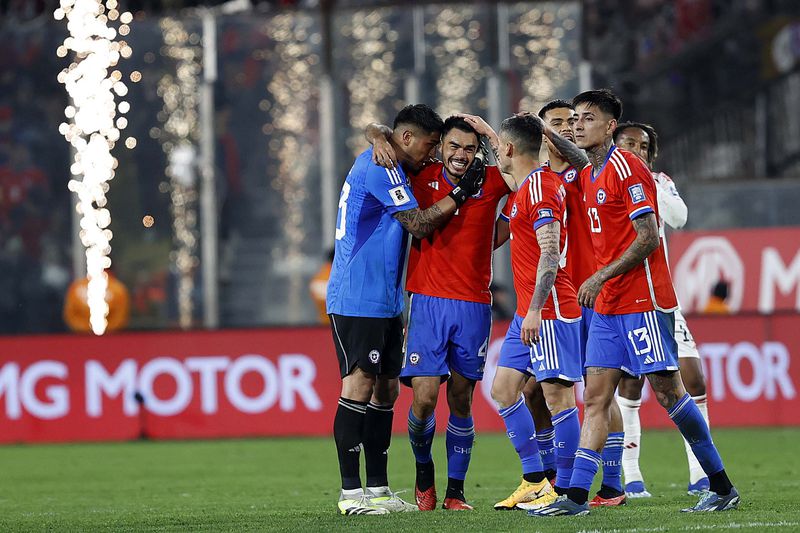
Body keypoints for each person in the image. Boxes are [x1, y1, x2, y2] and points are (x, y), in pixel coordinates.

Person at [529, 89, 739, 516]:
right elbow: (574, 150)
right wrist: (542, 130)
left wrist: (601, 274)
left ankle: (720, 485)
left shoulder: (628, 169)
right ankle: (575, 498)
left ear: (609, 126)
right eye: (574, 119)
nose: (578, 125)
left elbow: (647, 238)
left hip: (643, 299)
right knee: (595, 398)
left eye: (587, 118)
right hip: (607, 306)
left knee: (667, 392)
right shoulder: (591, 169)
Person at [326, 104, 485, 516]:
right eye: (430, 146)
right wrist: (462, 192)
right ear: (408, 139)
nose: (433, 155)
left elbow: (382, 129)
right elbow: (418, 223)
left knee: (387, 389)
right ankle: (350, 494)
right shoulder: (382, 168)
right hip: (357, 296)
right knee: (359, 385)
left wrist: (376, 132)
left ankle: (377, 489)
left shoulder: (391, 156)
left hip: (387, 301)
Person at [367, 115, 512, 511]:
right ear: (441, 147)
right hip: (428, 302)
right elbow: (381, 131)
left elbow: (529, 174)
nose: (461, 155)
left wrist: (492, 136)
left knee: (462, 400)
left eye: (469, 148)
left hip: (475, 304)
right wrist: (376, 134)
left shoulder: (492, 180)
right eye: (453, 146)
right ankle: (424, 474)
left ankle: (456, 492)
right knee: (425, 399)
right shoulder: (422, 175)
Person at [463, 113, 583, 512]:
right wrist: (487, 133)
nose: (497, 153)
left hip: (547, 310)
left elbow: (550, 253)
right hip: (527, 314)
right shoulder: (527, 186)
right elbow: (511, 163)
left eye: (501, 147)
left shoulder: (541, 190)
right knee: (503, 391)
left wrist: (533, 309)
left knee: (557, 397)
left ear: (512, 150)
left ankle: (564, 490)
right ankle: (535, 479)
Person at [613, 121, 713, 496]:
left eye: (642, 146)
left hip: (661, 297)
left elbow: (679, 217)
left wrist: (647, 182)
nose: (636, 150)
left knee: (694, 379)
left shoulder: (657, 180)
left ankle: (700, 473)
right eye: (628, 143)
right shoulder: (599, 180)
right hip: (621, 297)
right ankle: (632, 475)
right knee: (630, 383)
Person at [538, 101, 627, 508]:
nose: (570, 128)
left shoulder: (584, 171)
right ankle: (554, 480)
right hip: (560, 299)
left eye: (574, 121)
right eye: (559, 123)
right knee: (530, 389)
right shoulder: (538, 178)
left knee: (598, 393)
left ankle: (607, 484)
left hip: (590, 296)